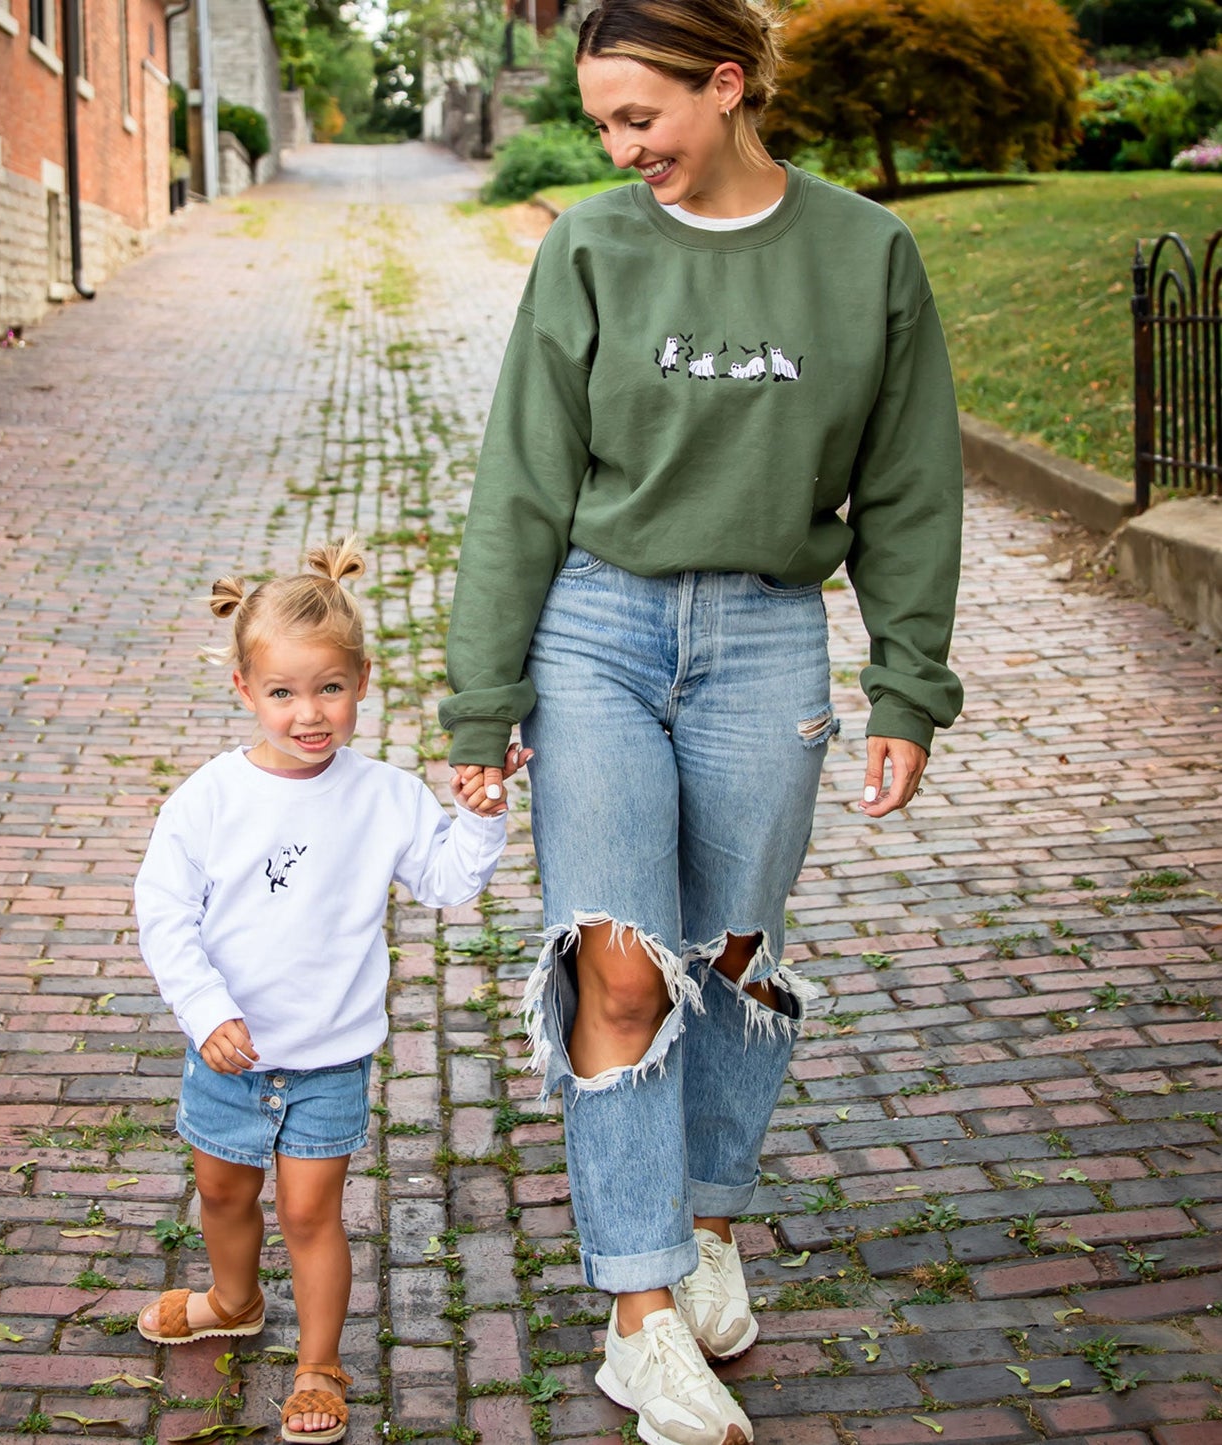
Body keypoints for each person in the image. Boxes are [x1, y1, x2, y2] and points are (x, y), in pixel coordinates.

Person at [440, 2, 964, 1441]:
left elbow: (911, 487)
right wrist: (481, 695)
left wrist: (909, 680)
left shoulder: (866, 256)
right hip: (596, 630)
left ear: (724, 87)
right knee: (619, 971)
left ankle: (710, 1218)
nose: (619, 148)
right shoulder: (592, 248)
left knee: (730, 957)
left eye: (639, 118)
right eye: (603, 122)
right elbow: (521, 484)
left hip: (765, 639)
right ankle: (639, 1307)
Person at [134, 538, 529, 1443]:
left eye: (328, 689)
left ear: (360, 682)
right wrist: (205, 1011)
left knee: (311, 1212)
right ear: (244, 690)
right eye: (282, 692)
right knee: (223, 1194)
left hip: (326, 1056)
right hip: (227, 1051)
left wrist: (478, 813)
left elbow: (445, 880)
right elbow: (165, 913)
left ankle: (320, 1362)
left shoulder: (382, 795)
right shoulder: (208, 799)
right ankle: (232, 1298)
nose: (308, 713)